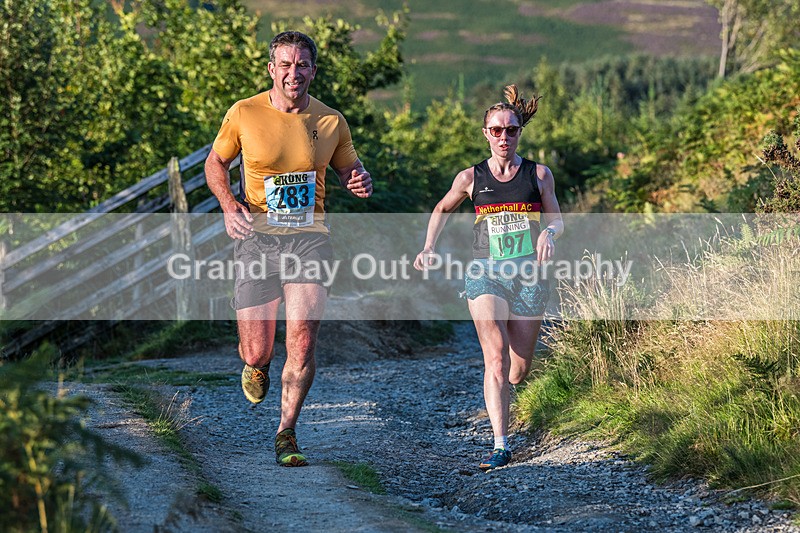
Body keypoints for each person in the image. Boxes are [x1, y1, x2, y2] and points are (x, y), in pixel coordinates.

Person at [205, 30, 373, 467]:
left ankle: (287, 432)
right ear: (271, 69)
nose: (293, 73)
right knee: (257, 351)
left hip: (310, 239)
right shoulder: (244, 113)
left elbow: (349, 168)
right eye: (285, 64)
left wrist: (358, 179)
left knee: (302, 340)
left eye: (302, 65)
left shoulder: (331, 121)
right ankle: (256, 365)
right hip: (256, 240)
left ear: (313, 70)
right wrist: (228, 203)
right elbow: (216, 162)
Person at [414, 85, 563, 471]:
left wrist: (549, 232)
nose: (503, 137)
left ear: (519, 133)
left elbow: (557, 219)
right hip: (486, 273)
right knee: (495, 358)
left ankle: (509, 395)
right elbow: (442, 208)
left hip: (529, 276)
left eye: (510, 130)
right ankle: (500, 444)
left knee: (517, 369)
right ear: (486, 134)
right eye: (496, 130)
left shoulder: (538, 174)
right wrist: (428, 246)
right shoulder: (470, 177)